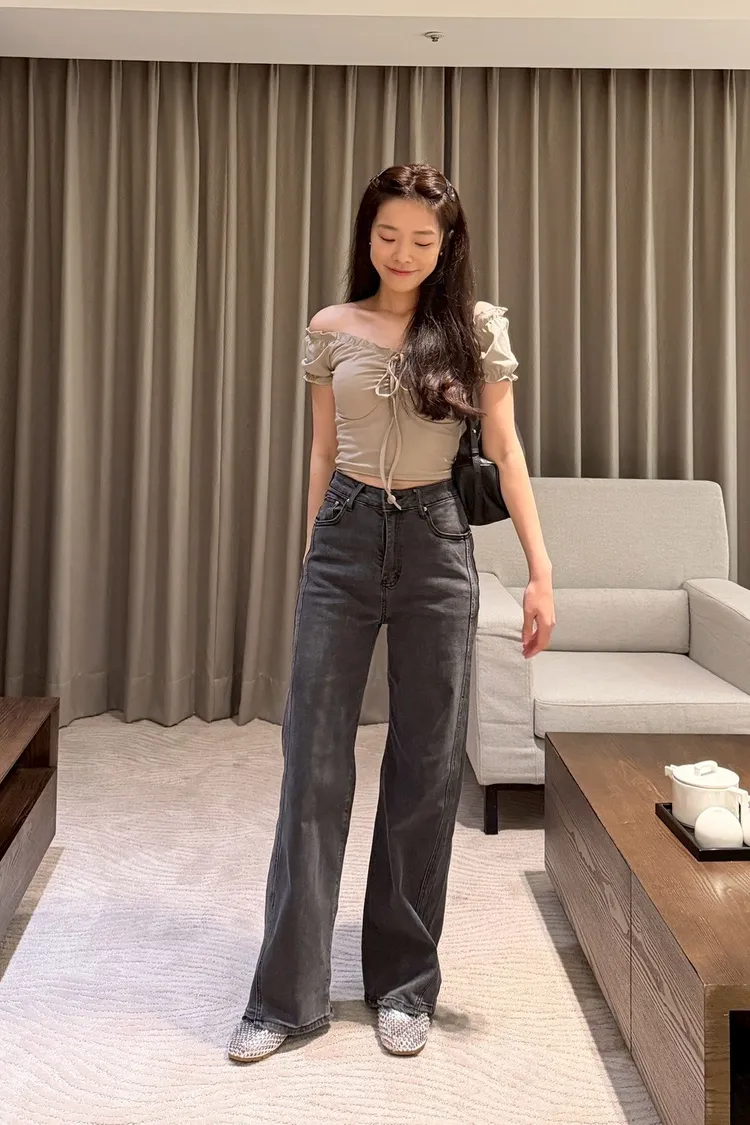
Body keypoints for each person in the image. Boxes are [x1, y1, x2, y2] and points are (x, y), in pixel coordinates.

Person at [228, 163, 555, 1063]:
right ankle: (285, 996)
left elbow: (506, 450)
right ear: (365, 235)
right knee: (313, 765)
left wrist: (540, 571)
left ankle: (404, 983)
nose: (402, 253)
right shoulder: (331, 327)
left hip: (436, 544)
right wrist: (311, 555)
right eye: (387, 235)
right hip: (342, 537)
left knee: (426, 766)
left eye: (421, 239)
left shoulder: (475, 330)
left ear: (446, 246)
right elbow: (321, 449)